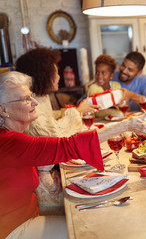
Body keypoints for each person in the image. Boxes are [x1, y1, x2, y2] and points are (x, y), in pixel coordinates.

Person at [0, 71, 146, 239]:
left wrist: (42, 171)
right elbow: (67, 146)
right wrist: (126, 125)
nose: (34, 102)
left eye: (31, 96)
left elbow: (26, 160)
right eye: (26, 99)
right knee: (91, 231)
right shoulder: (10, 142)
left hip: (26, 218)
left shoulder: (13, 137)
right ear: (3, 110)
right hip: (14, 230)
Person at [15, 47, 101, 214]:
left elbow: (49, 120)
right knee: (93, 194)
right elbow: (56, 137)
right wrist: (76, 112)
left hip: (48, 167)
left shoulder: (41, 96)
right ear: (44, 75)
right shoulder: (30, 106)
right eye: (56, 72)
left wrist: (66, 112)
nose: (59, 76)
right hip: (41, 191)